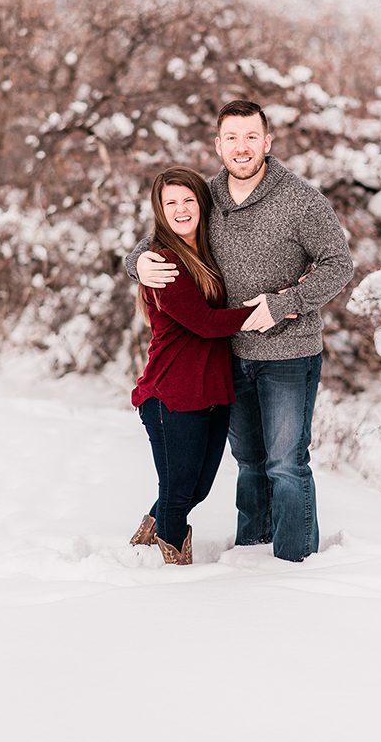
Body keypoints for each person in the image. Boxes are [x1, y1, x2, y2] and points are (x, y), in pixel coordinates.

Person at [126, 100, 354, 562]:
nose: (242, 147)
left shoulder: (300, 198)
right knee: (249, 464)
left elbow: (338, 264)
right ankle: (250, 556)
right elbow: (169, 229)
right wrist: (136, 263)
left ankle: (295, 563)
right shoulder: (209, 196)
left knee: (286, 464)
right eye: (232, 137)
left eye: (251, 136)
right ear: (218, 145)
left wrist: (285, 305)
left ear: (267, 142)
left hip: (289, 353)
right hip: (230, 356)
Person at [128, 166, 265, 565]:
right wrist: (262, 312)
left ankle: (148, 532)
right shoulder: (163, 263)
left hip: (212, 392)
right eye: (171, 202)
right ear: (160, 210)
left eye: (188, 200)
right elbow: (205, 324)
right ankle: (174, 571)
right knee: (178, 493)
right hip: (172, 395)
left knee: (196, 489)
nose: (181, 209)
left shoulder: (206, 252)